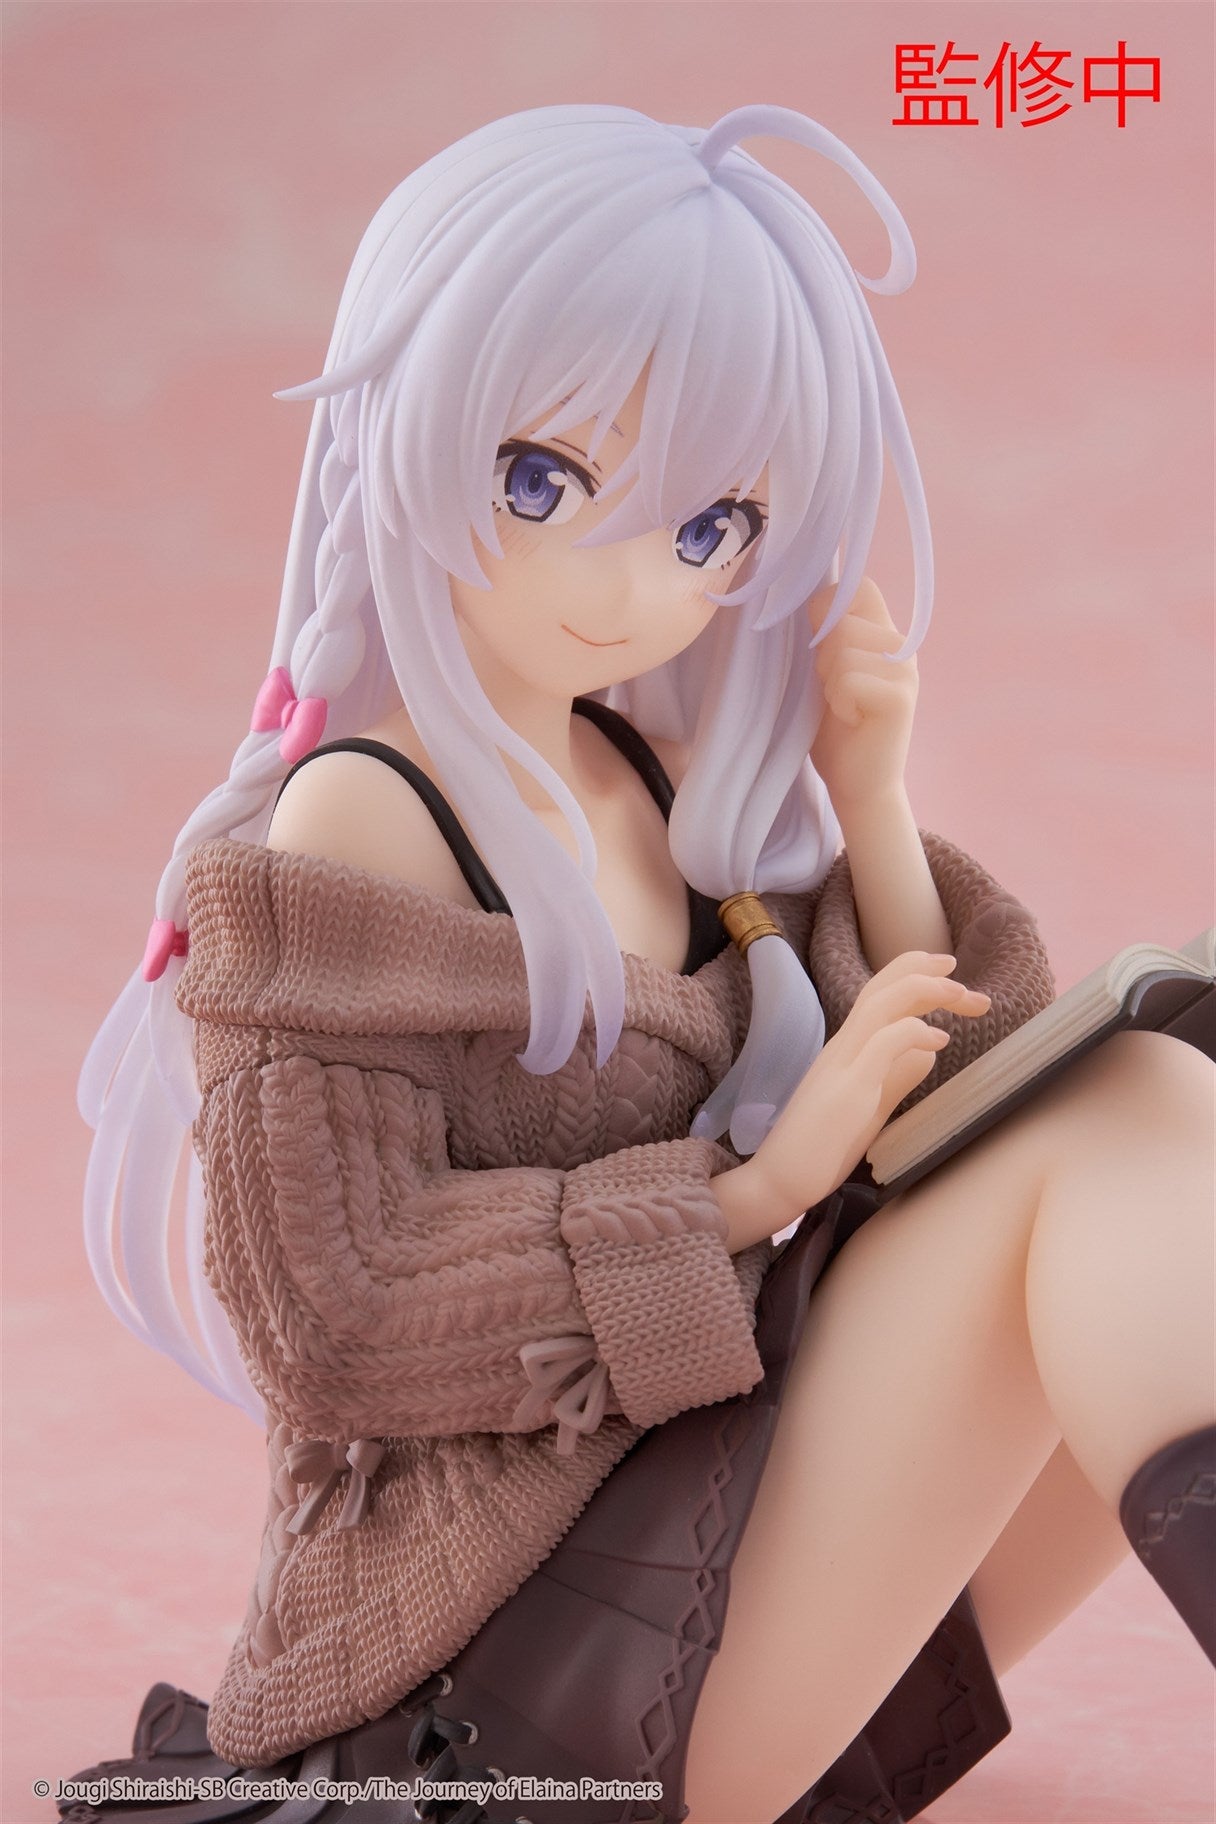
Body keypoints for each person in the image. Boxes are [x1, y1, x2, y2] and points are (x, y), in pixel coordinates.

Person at [72, 105, 1214, 1824]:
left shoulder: (657, 784)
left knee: (1142, 1088)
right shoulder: (360, 821)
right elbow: (331, 1308)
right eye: (545, 483)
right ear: (417, 428)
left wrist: (872, 795)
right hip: (493, 1660)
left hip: (720, 1545)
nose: (630, 584)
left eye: (708, 528)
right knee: (1120, 1124)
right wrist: (754, 1193)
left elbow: (955, 1103)